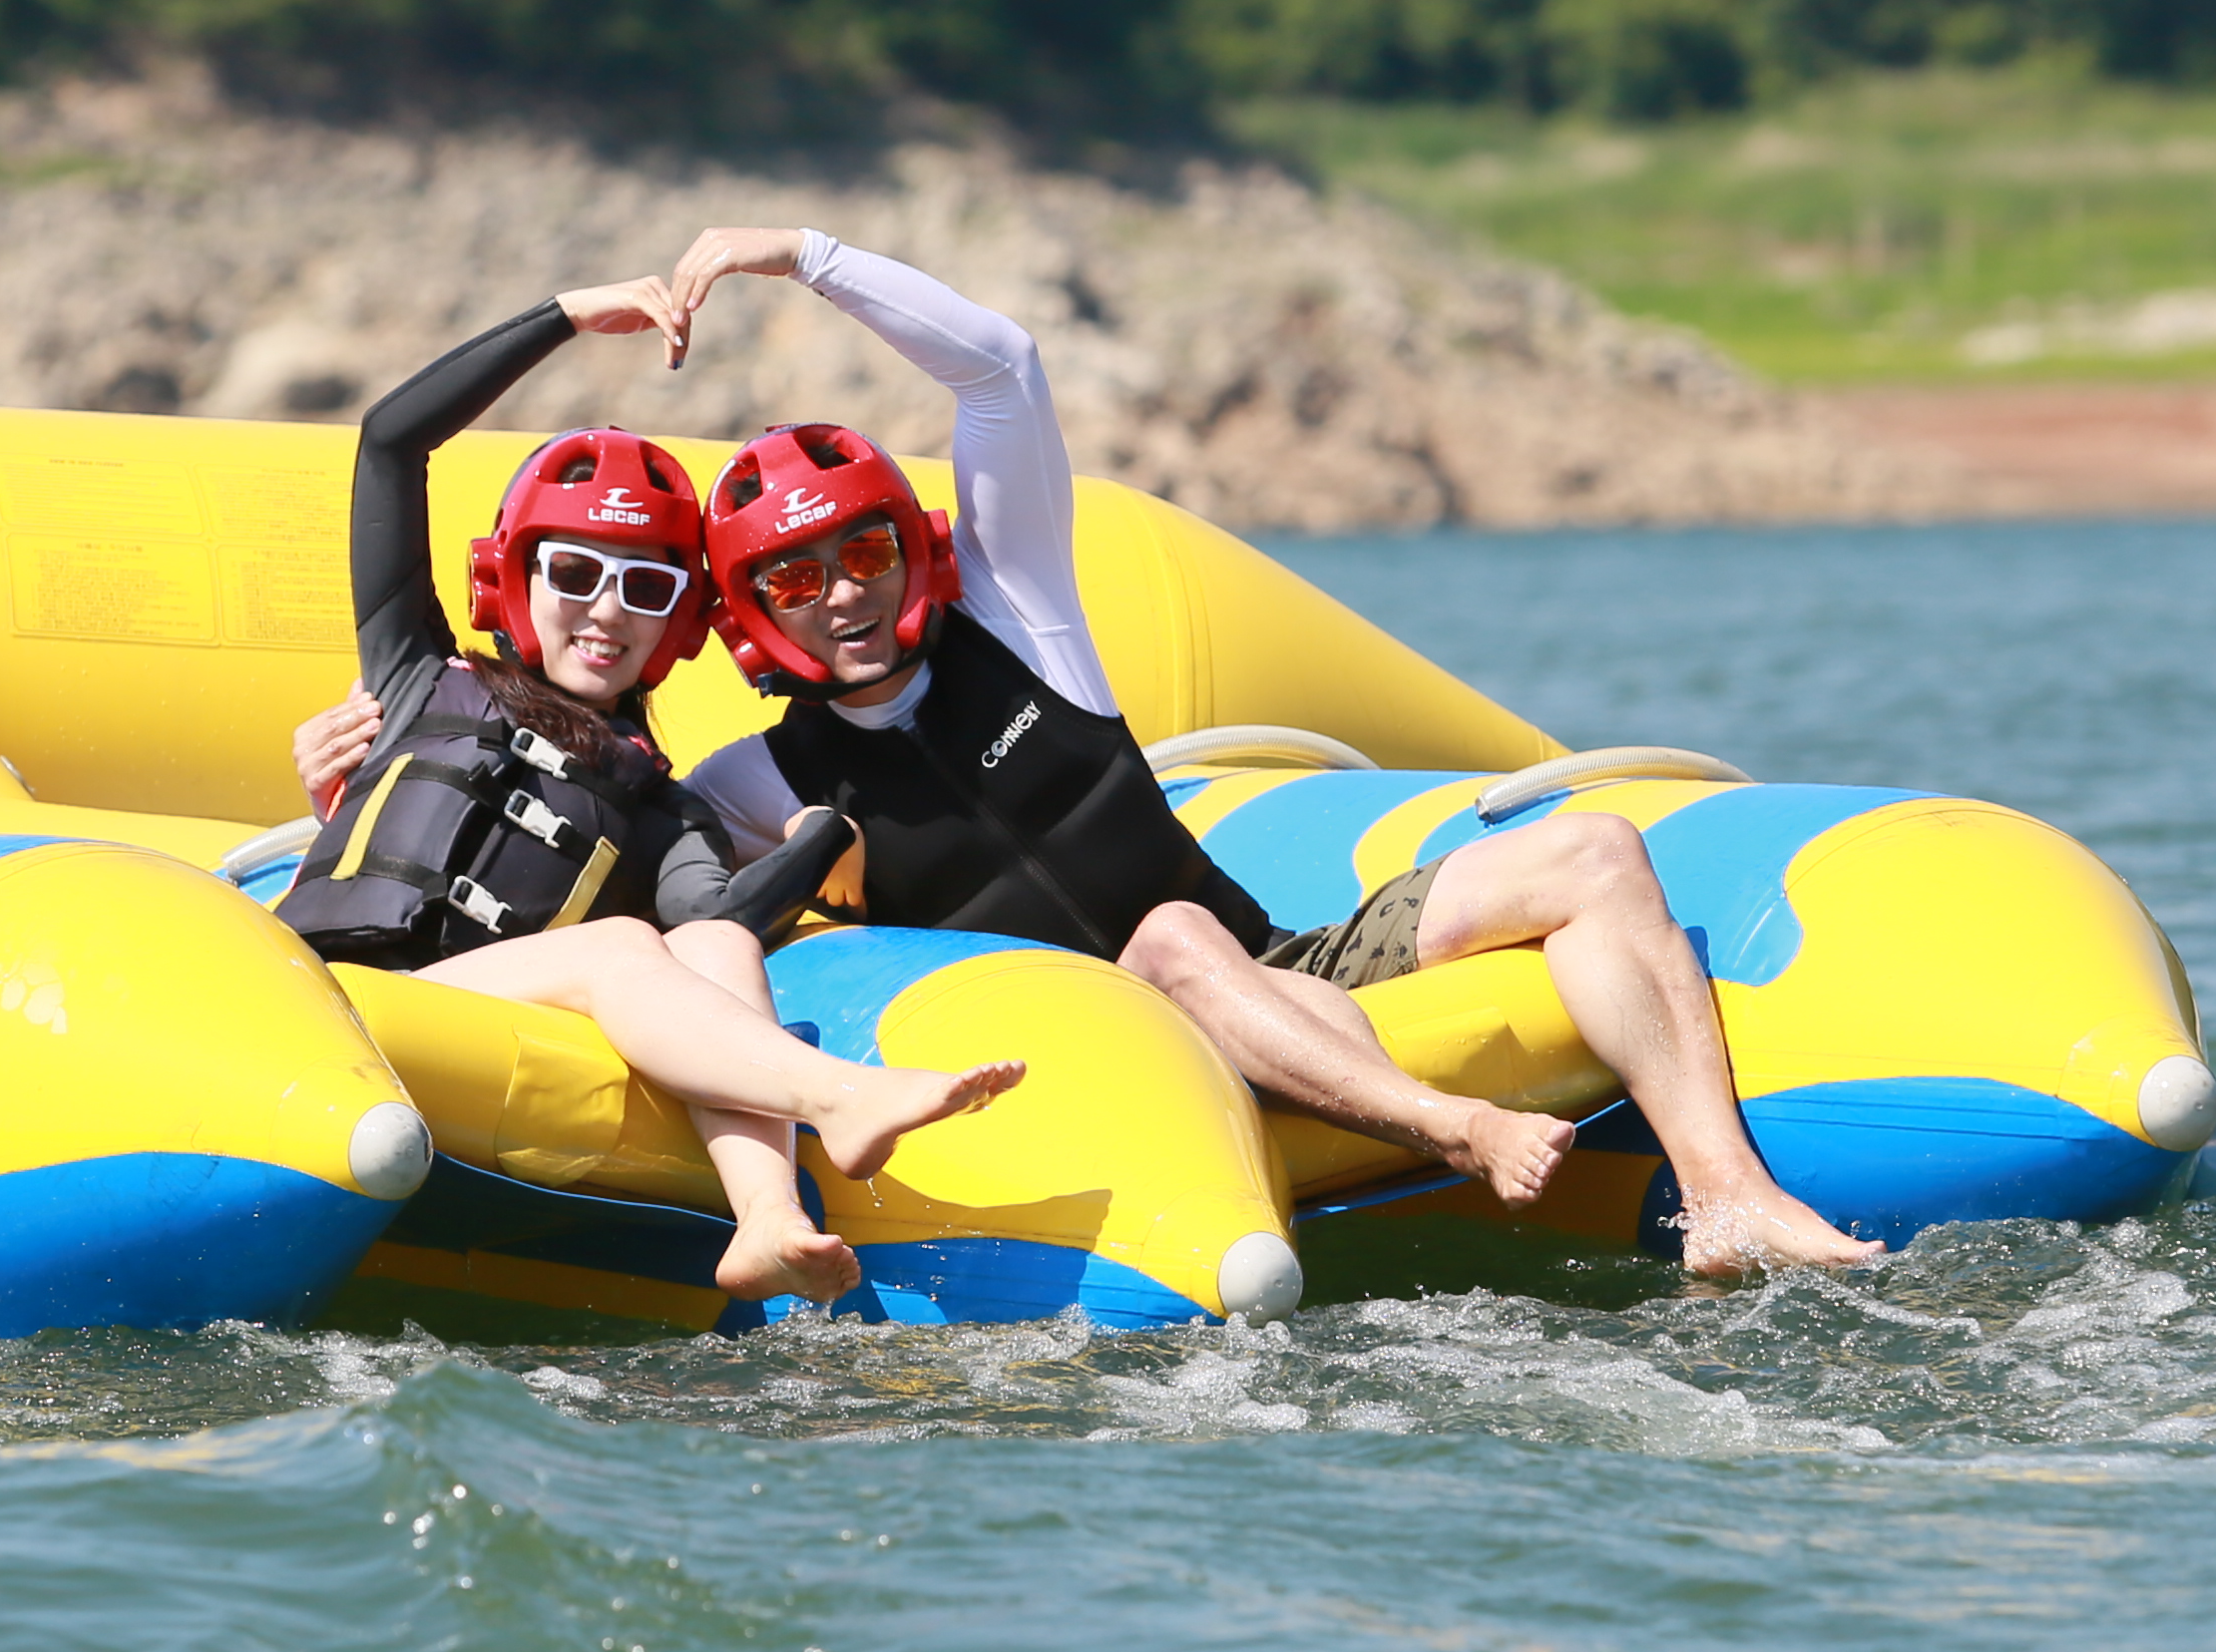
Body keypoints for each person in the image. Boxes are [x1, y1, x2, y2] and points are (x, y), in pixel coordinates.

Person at [648, 223, 1879, 1278]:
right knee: (1170, 940)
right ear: (749, 612)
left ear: (916, 550)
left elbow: (1002, 372)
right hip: (1092, 1051)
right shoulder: (759, 783)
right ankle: (1456, 1130)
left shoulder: (1020, 622)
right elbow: (662, 896)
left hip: (1279, 968)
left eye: (863, 554)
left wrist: (803, 256)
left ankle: (1725, 1198)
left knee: (1598, 852)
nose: (841, 597)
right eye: (793, 579)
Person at [274, 280, 1014, 1310]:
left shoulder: (664, 811)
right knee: (624, 949)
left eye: (646, 588)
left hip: (468, 1029)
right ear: (513, 581)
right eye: (574, 572)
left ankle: (769, 1223)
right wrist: (567, 318)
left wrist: (820, 836)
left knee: (712, 949)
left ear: (678, 620)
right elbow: (391, 443)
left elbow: (718, 926)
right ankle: (841, 1100)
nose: (606, 611)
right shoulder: (413, 676)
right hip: (314, 999)